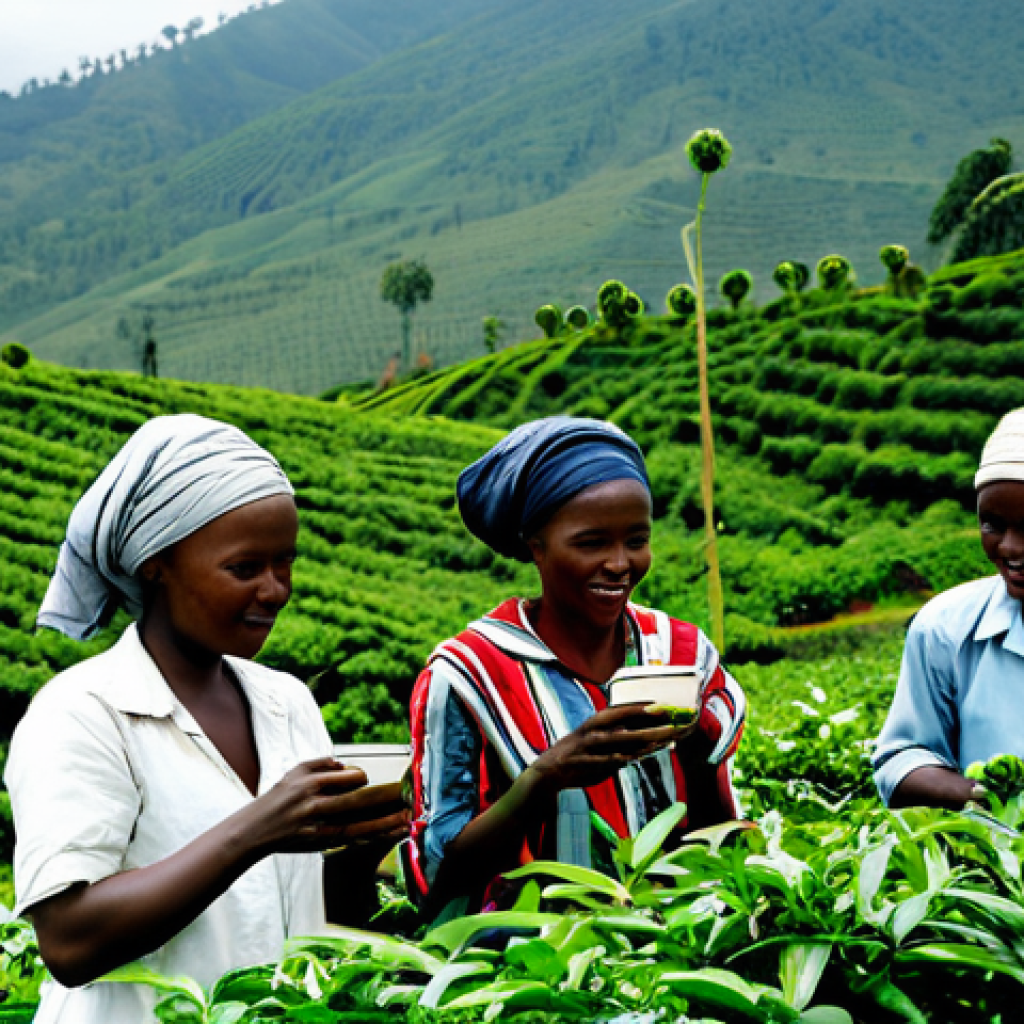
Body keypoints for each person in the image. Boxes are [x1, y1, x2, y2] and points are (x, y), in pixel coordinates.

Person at [5, 414, 409, 1024]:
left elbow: (301, 915)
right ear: (154, 564)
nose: (275, 590)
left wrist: (359, 849)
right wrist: (259, 828)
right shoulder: (84, 713)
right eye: (244, 568)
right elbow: (69, 941)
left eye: (285, 563)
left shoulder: (285, 702)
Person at [403, 417, 746, 919]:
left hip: (679, 943)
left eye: (636, 539)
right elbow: (435, 873)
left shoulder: (683, 654)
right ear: (533, 545)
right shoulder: (469, 673)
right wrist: (544, 778)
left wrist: (695, 744)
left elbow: (720, 837)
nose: (619, 563)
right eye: (590, 543)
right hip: (526, 967)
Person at [874, 408, 1024, 809]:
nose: (1009, 547)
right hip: (989, 866)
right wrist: (996, 799)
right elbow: (902, 759)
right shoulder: (945, 628)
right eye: (992, 524)